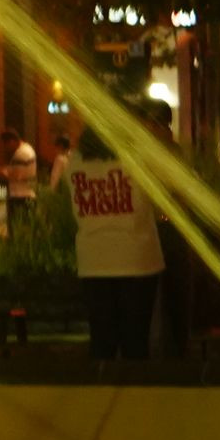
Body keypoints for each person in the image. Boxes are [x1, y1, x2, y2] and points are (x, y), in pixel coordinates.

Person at [58, 124, 164, 363]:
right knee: (136, 342)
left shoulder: (74, 164)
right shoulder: (140, 161)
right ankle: (133, 384)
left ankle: (103, 383)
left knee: (102, 342)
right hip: (137, 259)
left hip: (94, 260)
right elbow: (163, 197)